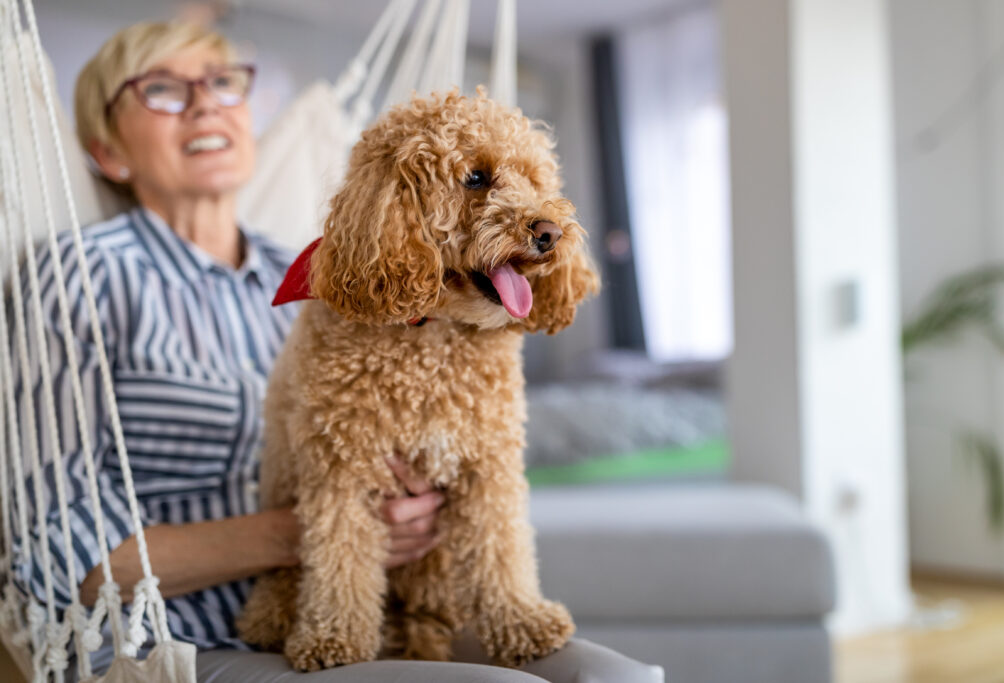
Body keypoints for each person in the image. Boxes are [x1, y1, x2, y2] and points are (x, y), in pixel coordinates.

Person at [11, 20, 663, 683]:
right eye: (163, 90)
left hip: (403, 601)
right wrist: (303, 532)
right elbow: (54, 551)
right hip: (183, 638)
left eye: (223, 82)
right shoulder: (80, 279)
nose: (206, 102)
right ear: (108, 151)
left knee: (616, 678)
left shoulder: (297, 270)